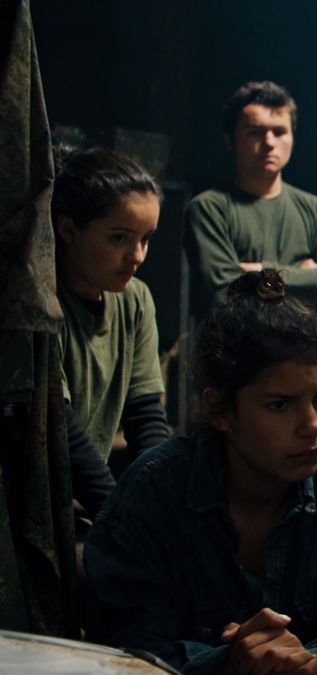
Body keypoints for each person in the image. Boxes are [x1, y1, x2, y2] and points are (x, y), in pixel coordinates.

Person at [84, 270, 317, 674]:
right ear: (220, 410)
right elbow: (124, 647)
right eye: (279, 404)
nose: (313, 425)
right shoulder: (153, 491)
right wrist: (225, 664)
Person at [52, 147, 170, 517]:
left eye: (146, 239)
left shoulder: (135, 300)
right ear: (69, 229)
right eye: (119, 238)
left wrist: (156, 499)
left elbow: (145, 415)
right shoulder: (42, 305)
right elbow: (59, 427)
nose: (138, 256)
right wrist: (118, 514)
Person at [184, 80, 317, 316]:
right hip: (235, 340)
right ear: (230, 141)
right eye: (254, 132)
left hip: (298, 340)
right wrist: (301, 275)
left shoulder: (315, 209)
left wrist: (261, 271)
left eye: (280, 132)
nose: (269, 143)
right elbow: (223, 294)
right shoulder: (209, 209)